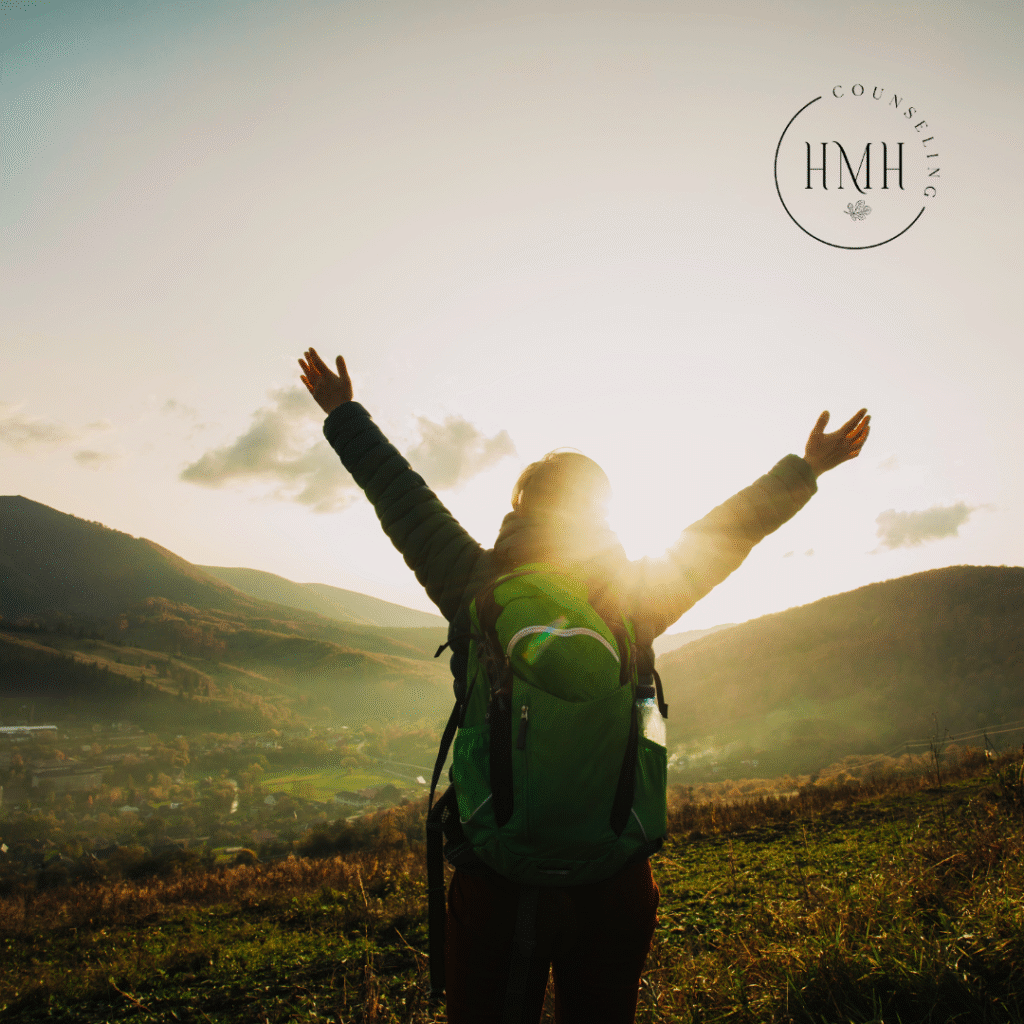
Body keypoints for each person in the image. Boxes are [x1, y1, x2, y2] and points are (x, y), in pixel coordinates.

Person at [298, 346, 870, 1023]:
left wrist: (343, 413)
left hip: (497, 876)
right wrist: (807, 468)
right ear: (602, 514)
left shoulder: (473, 582)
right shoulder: (639, 595)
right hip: (612, 873)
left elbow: (403, 499)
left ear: (521, 509)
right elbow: (728, 530)